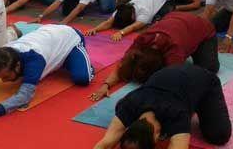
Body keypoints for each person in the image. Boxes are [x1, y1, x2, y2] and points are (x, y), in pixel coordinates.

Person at [93, 64, 231, 149]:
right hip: (170, 76)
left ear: (157, 136)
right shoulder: (128, 105)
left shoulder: (176, 114)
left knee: (219, 135)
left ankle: (197, 102)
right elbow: (105, 144)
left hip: (204, 82)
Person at [89, 12, 218, 102]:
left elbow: (174, 85)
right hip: (174, 19)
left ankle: (196, 47)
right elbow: (123, 64)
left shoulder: (174, 51)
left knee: (208, 70)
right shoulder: (141, 40)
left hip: (202, 29)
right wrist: (106, 85)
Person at [86, 0, 173, 40]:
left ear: (133, 16)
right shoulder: (121, 9)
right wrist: (95, 29)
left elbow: (134, 27)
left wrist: (121, 32)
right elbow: (108, 22)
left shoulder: (144, 13)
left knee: (163, 18)